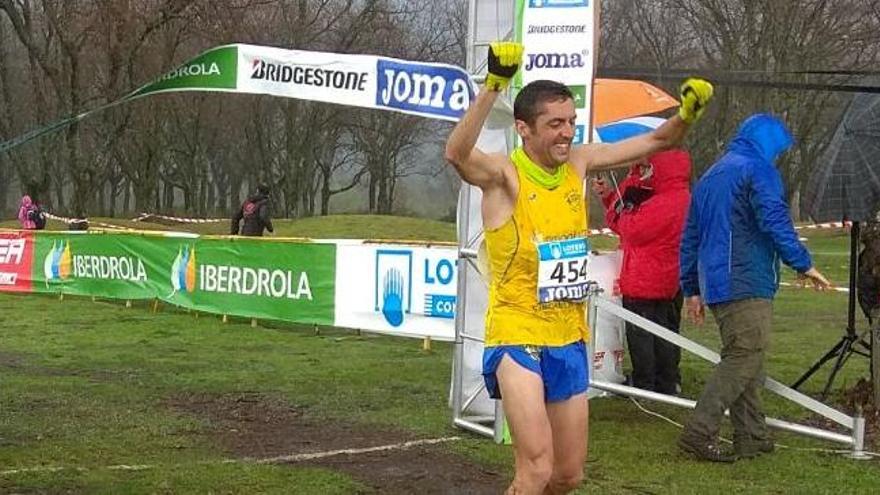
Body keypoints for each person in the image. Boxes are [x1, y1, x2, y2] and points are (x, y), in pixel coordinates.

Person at [445, 41, 712, 494]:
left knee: (567, 476)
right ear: (524, 129)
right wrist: (493, 86)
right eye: (554, 124)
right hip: (516, 335)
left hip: (569, 337)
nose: (566, 133)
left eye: (570, 121)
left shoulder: (580, 164)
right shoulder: (503, 176)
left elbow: (658, 141)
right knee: (534, 469)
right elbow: (456, 153)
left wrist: (687, 115)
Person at [678, 113, 831, 462]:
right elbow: (774, 219)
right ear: (769, 144)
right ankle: (699, 431)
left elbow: (690, 237)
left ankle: (753, 435)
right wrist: (803, 263)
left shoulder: (711, 175)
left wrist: (691, 288)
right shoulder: (758, 170)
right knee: (744, 355)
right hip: (745, 278)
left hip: (716, 280)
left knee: (748, 358)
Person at [592, 149, 692, 395]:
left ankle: (646, 384)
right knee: (664, 331)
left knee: (642, 334)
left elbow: (631, 228)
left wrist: (622, 210)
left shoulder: (664, 202)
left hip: (645, 276)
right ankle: (665, 381)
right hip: (666, 275)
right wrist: (615, 202)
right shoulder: (679, 197)